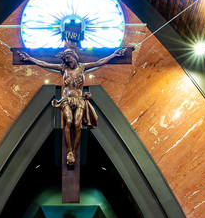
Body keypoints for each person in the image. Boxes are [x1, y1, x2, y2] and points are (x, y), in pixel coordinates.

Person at [17, 27, 132, 167]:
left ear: (74, 57)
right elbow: (45, 63)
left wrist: (114, 55)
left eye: (68, 58)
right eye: (65, 59)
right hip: (66, 99)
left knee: (77, 124)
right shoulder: (63, 68)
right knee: (69, 121)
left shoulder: (82, 67)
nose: (67, 60)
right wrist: (29, 58)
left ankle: (73, 150)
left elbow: (99, 62)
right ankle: (69, 150)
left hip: (79, 99)